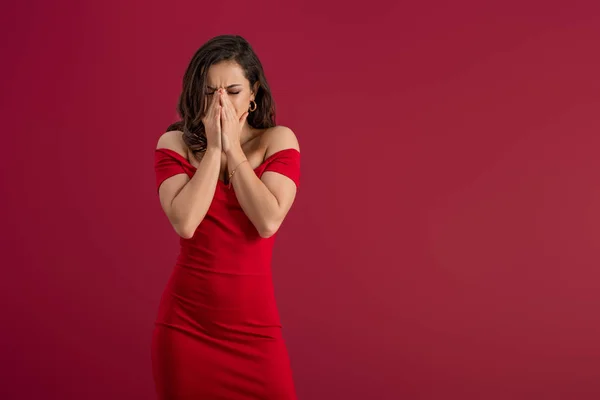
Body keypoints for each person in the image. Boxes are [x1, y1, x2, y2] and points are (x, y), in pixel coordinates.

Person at [151, 35, 300, 399]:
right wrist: (215, 146)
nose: (221, 102)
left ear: (253, 94)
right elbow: (185, 222)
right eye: (209, 92)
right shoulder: (174, 145)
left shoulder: (278, 140)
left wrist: (233, 149)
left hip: (256, 333)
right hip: (186, 330)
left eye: (232, 91)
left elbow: (267, 221)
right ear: (195, 95)